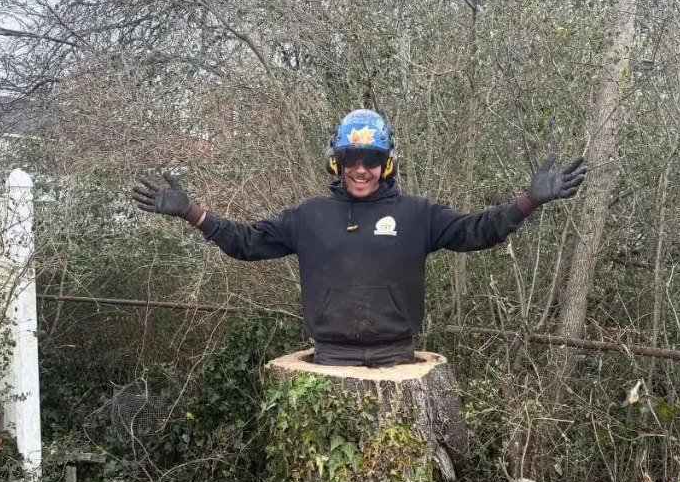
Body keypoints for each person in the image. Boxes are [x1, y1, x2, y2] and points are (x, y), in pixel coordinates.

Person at [132, 110, 585, 367]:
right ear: (337, 163)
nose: (362, 169)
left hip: (398, 358)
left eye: (372, 159)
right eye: (352, 159)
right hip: (328, 359)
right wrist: (192, 212)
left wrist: (528, 201)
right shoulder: (308, 216)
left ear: (386, 163)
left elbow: (476, 231)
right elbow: (245, 243)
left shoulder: (418, 214)